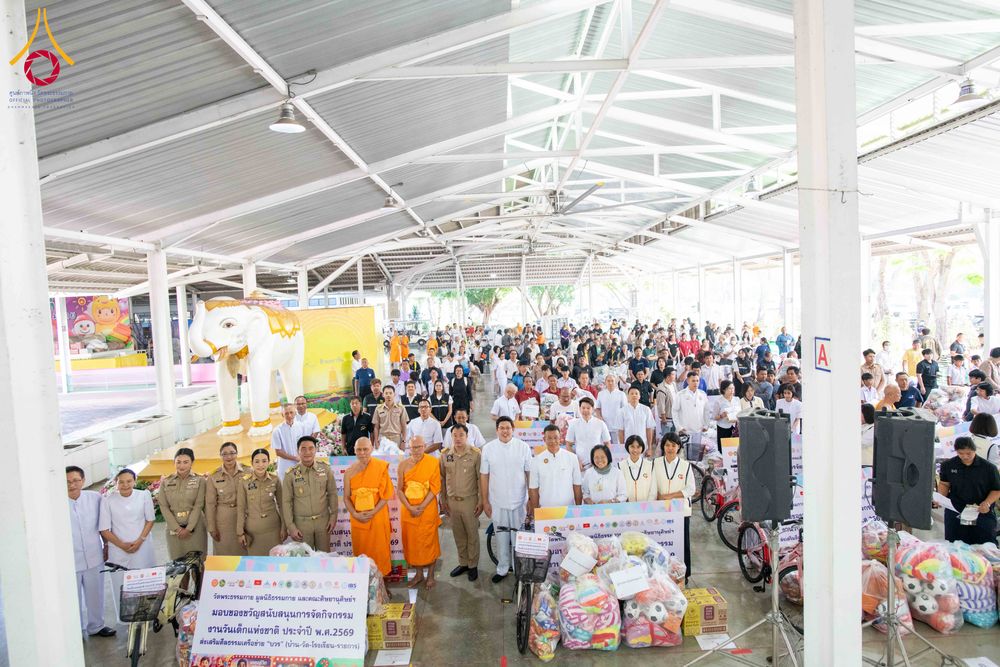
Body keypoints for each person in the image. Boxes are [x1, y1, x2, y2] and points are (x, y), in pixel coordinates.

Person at [479, 417, 532, 583]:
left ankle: (519, 570)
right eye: (501, 428)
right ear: (497, 430)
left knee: (519, 539)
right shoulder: (488, 449)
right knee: (501, 538)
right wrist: (485, 501)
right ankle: (502, 569)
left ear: (513, 429)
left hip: (519, 502)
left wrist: (530, 499)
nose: (505, 431)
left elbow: (529, 473)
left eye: (508, 428)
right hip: (497, 502)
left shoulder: (523, 447)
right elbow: (484, 476)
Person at [99, 469, 155, 617]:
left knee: (144, 581)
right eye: (121, 482)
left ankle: (146, 615)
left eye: (129, 481)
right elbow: (104, 529)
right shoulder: (108, 500)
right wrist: (122, 545)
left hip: (142, 547)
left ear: (134, 481)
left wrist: (139, 541)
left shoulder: (143, 495)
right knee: (121, 583)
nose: (125, 485)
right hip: (118, 549)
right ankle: (125, 617)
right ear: (116, 483)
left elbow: (150, 520)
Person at [66, 466, 115, 638]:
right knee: (72, 598)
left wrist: (107, 544)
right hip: (70, 558)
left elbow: (104, 525)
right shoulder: (56, 504)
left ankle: (96, 626)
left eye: (76, 480)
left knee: (96, 592)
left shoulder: (95, 498)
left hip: (94, 555)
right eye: (68, 482)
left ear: (83, 480)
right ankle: (75, 631)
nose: (72, 485)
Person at [344, 437, 394, 576]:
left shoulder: (380, 467)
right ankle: (364, 586)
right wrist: (355, 513)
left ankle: (383, 586)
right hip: (358, 520)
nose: (362, 453)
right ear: (354, 450)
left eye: (365, 449)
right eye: (359, 449)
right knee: (362, 553)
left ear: (371, 448)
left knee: (380, 551)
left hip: (377, 517)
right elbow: (346, 498)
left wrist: (373, 512)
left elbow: (386, 495)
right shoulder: (349, 472)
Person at [397, 436, 442, 590]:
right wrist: (410, 507)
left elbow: (435, 487)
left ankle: (430, 575)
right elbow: (399, 489)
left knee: (429, 541)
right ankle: (418, 574)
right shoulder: (403, 465)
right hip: (408, 509)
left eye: (419, 447)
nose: (416, 450)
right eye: (413, 447)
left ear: (424, 446)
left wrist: (422, 506)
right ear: (409, 448)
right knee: (413, 543)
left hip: (427, 508)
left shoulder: (433, 462)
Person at [937, 436, 1000, 545]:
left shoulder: (988, 468)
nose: (965, 456)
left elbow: (996, 490)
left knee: (984, 546)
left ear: (974, 450)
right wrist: (940, 498)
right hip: (956, 511)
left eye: (969, 453)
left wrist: (987, 503)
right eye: (961, 453)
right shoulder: (948, 465)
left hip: (981, 511)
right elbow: (944, 483)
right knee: (956, 546)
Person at [440, 424, 482, 581]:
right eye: (455, 435)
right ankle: (463, 562)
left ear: (467, 436)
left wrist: (481, 500)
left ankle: (473, 565)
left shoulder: (475, 454)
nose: (458, 438)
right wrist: (443, 500)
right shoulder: (445, 455)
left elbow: (480, 479)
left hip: (469, 501)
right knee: (458, 534)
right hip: (452, 502)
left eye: (461, 435)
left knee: (472, 534)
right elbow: (443, 478)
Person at [281, 436, 338, 552]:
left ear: (316, 450)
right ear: (298, 451)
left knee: (324, 558)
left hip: (323, 523)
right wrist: (291, 527)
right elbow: (286, 502)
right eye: (303, 449)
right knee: (305, 561)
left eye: (311, 448)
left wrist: (333, 517)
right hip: (302, 525)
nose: (307, 452)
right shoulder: (290, 474)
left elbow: (332, 493)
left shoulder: (325, 469)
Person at [653, 433, 695, 581]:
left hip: (681, 511)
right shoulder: (655, 463)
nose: (670, 448)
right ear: (663, 446)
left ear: (678, 447)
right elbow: (652, 484)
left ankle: (685, 575)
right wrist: (657, 496)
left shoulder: (685, 465)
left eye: (673, 445)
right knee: (661, 542)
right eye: (667, 445)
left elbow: (691, 489)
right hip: (660, 510)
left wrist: (669, 496)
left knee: (683, 543)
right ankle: (661, 575)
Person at [159, 447, 207, 560]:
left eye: (186, 462)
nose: (181, 466)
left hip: (195, 528)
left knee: (198, 564)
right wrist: (178, 529)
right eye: (178, 462)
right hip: (173, 528)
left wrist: (189, 528)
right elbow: (164, 506)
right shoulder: (166, 482)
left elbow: (198, 505)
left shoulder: (200, 480)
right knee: (178, 565)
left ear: (192, 463)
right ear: (174, 462)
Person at [236, 448, 285, 556]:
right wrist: (240, 532)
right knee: (257, 564)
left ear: (269, 462)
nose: (260, 465)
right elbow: (241, 508)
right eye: (257, 461)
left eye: (264, 461)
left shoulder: (275, 479)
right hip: (253, 531)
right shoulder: (244, 482)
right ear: (251, 463)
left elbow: (282, 505)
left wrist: (284, 527)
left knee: (275, 562)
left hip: (273, 529)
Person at [205, 442, 250, 556]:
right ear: (220, 456)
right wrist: (211, 527)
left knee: (246, 550)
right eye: (224, 454)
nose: (229, 457)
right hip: (224, 521)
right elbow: (210, 504)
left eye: (232, 453)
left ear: (237, 454)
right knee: (225, 552)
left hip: (245, 517)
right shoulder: (214, 476)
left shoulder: (248, 471)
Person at [529, 424, 583, 517]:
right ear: (544, 439)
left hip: (568, 510)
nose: (553, 441)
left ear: (560, 438)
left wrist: (578, 510)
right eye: (549, 438)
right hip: (545, 511)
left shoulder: (572, 458)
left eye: (555, 437)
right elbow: (533, 490)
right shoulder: (536, 461)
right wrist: (535, 513)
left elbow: (577, 486)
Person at [566, 396, 612, 470]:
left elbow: (607, 443)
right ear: (579, 409)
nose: (585, 410)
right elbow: (568, 445)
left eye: (588, 408)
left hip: (597, 464)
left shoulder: (600, 423)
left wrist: (602, 459)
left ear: (593, 409)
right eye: (583, 408)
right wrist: (576, 460)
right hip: (581, 465)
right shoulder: (574, 424)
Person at [673, 372, 709, 458]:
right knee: (684, 455)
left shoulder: (702, 394)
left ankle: (695, 470)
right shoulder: (680, 394)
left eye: (697, 381)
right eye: (693, 381)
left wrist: (706, 425)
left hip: (698, 429)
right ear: (688, 381)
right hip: (685, 430)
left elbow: (706, 411)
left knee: (696, 454)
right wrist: (679, 427)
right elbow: (674, 411)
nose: (696, 383)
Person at [272, 403, 305, 479]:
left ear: (295, 413)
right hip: (284, 466)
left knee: (299, 488)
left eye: (291, 412)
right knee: (285, 488)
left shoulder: (300, 426)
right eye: (286, 413)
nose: (289, 415)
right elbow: (278, 452)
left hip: (299, 464)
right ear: (282, 414)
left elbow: (303, 444)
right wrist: (295, 458)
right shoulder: (277, 431)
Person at [619, 435, 656, 502]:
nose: (635, 450)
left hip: (647, 507)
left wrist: (648, 504)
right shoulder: (620, 466)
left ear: (642, 448)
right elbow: (620, 489)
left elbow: (653, 489)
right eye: (632, 446)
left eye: (638, 447)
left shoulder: (650, 465)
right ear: (627, 447)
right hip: (626, 507)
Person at [619, 385, 655, 452]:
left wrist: (650, 447)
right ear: (628, 396)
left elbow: (649, 429)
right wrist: (622, 447)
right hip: (628, 445)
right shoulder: (622, 411)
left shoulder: (646, 409)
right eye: (631, 394)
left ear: (639, 396)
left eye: (636, 393)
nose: (634, 395)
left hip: (642, 444)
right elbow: (621, 431)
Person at [373, 385, 408, 449]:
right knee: (382, 459)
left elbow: (404, 426)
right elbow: (376, 427)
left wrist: (403, 441)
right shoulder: (378, 408)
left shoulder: (401, 408)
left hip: (396, 439)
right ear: (383, 395)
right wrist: (376, 441)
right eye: (386, 393)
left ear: (394, 394)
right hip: (383, 439)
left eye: (390, 393)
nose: (388, 395)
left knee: (397, 459)